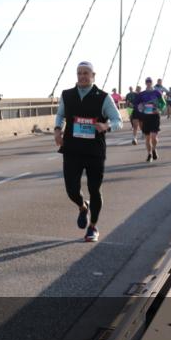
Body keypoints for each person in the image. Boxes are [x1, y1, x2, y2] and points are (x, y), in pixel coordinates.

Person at [54, 61, 123, 242]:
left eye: (86, 73)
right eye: (79, 73)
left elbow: (119, 121)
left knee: (94, 189)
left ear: (93, 75)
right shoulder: (67, 95)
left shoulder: (103, 97)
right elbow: (60, 115)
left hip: (94, 151)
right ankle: (83, 206)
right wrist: (57, 130)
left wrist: (106, 125)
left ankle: (93, 226)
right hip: (71, 149)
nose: (82, 76)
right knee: (71, 190)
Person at [135, 77, 165, 162]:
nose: (148, 83)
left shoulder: (157, 92)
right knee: (147, 138)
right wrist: (139, 108)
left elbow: (163, 103)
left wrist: (159, 109)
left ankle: (154, 149)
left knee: (154, 137)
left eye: (150, 81)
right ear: (145, 83)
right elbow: (136, 104)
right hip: (146, 117)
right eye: (147, 81)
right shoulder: (141, 94)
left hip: (155, 116)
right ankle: (149, 154)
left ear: (152, 83)